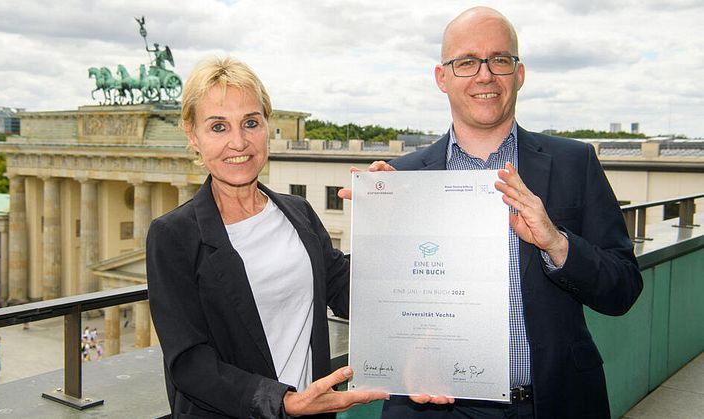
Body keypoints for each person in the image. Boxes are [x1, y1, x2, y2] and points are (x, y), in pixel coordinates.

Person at [345, 7, 643, 419]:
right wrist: (378, 223)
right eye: (466, 62)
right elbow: (381, 300)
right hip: (434, 407)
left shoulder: (576, 163)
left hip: (553, 402)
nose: (485, 75)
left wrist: (556, 243)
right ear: (442, 77)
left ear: (518, 74)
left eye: (500, 60)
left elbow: (623, 290)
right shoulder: (404, 180)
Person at [146, 56, 388, 418]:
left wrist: (390, 217)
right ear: (192, 136)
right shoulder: (172, 235)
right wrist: (283, 402)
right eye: (218, 127)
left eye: (250, 123)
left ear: (266, 127)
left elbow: (349, 292)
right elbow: (189, 362)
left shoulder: (298, 213)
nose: (238, 142)